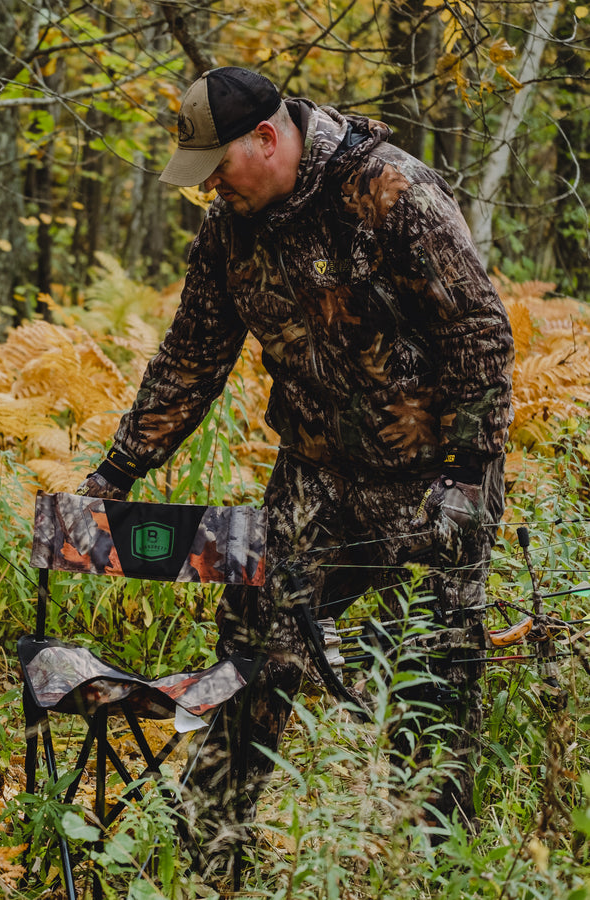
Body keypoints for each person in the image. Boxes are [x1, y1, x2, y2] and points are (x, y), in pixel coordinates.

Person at [76, 66, 514, 871]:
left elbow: (479, 330)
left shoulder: (390, 192)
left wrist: (469, 470)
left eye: (217, 171)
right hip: (314, 475)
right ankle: (208, 860)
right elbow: (192, 356)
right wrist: (118, 471)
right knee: (256, 643)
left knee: (427, 677)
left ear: (268, 140)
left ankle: (436, 874)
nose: (209, 192)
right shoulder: (230, 229)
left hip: (430, 482)